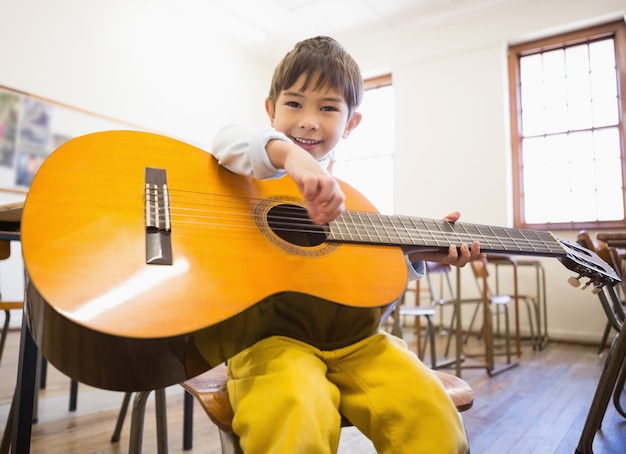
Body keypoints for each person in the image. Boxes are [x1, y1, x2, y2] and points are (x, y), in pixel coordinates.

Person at [205, 36, 481, 453]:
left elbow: (363, 279)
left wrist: (416, 254)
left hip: (357, 341)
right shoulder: (250, 165)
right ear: (270, 111)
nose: (309, 120)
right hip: (267, 340)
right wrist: (290, 158)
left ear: (351, 124)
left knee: (430, 413)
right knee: (297, 410)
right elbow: (228, 140)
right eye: (294, 104)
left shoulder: (354, 201)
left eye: (328, 108)